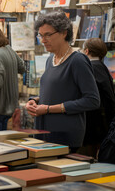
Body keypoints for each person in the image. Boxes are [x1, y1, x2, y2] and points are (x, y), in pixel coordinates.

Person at [26, 11, 100, 151]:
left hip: (64, 134)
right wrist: (35, 101)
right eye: (41, 35)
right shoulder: (50, 60)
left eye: (48, 35)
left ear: (64, 33)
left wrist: (48, 109)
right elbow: (59, 93)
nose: (43, 40)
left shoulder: (77, 61)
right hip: (43, 132)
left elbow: (92, 100)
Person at [82, 38, 115, 156]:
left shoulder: (90, 68)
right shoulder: (103, 68)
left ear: (86, 51)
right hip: (105, 122)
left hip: (93, 122)